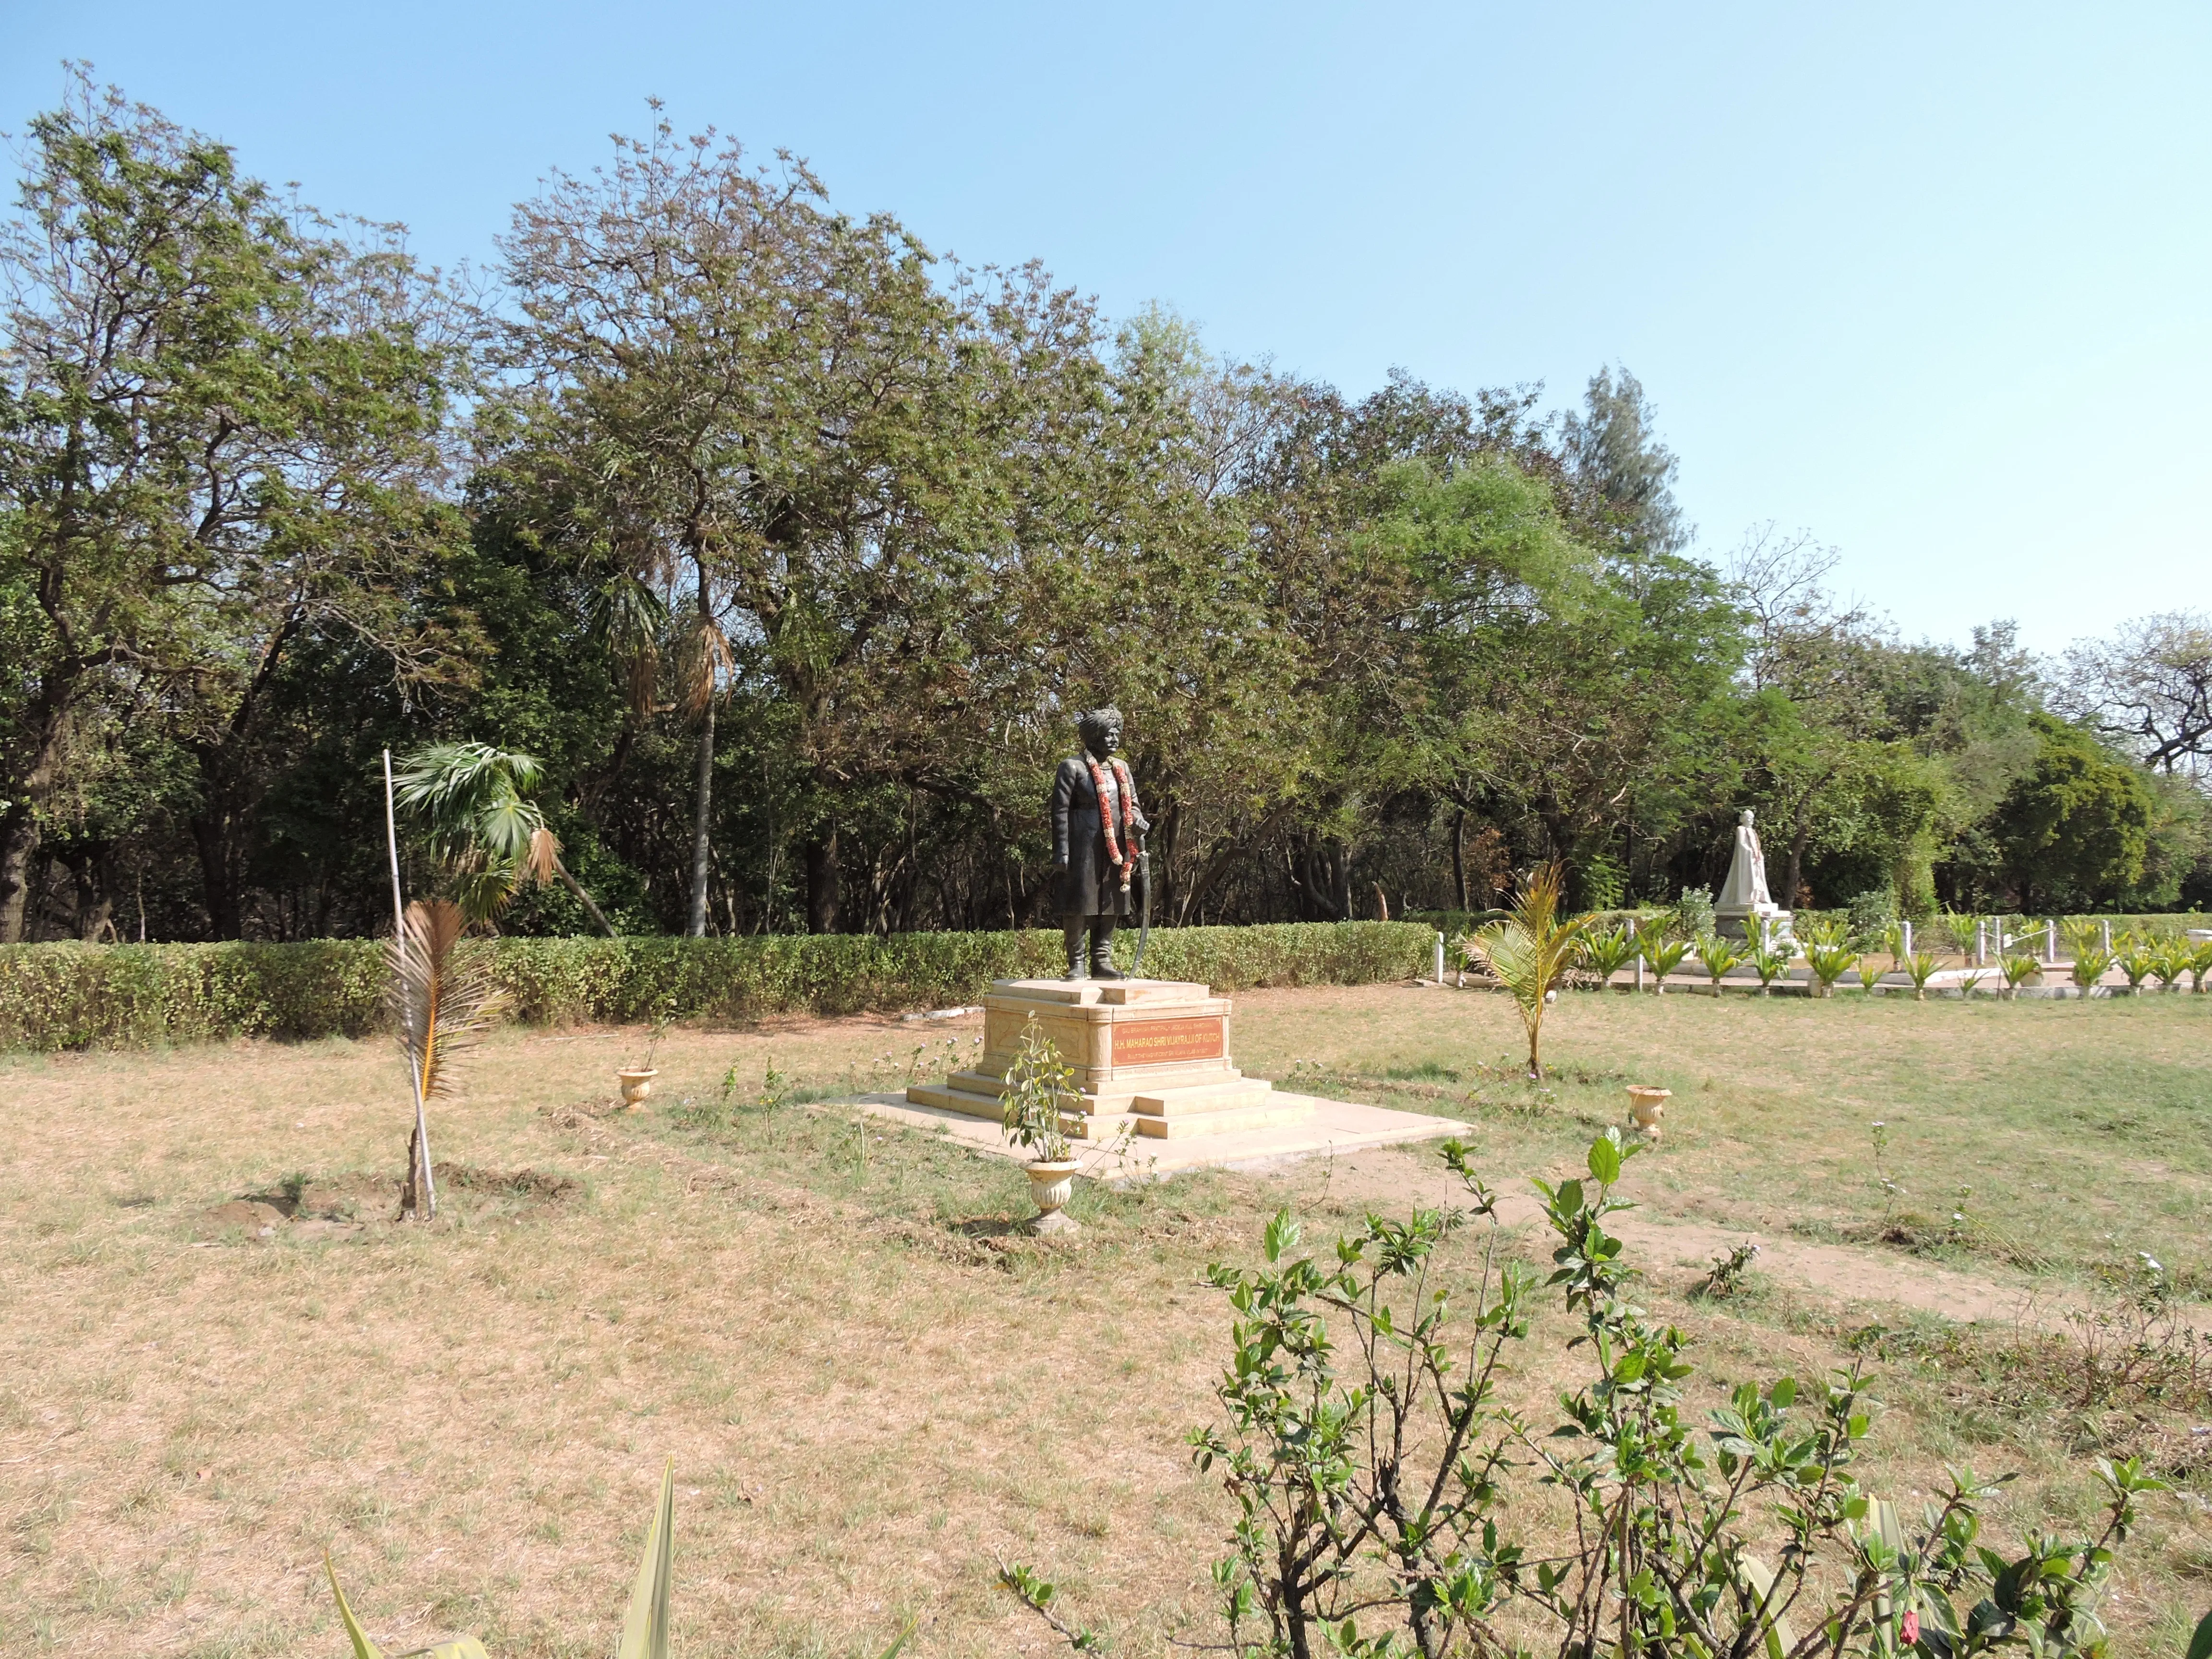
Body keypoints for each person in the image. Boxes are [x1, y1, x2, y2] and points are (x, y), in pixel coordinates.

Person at [1049, 706, 1148, 980]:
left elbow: (1133, 805)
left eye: (1117, 733)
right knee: (1080, 902)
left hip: (1117, 847)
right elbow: (1059, 811)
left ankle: (1102, 960)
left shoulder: (1121, 768)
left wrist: (1138, 821)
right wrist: (1061, 850)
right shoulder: (1072, 767)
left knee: (1112, 901)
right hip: (1083, 846)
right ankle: (1077, 962)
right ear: (1093, 736)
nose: (1114, 739)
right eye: (1108, 734)